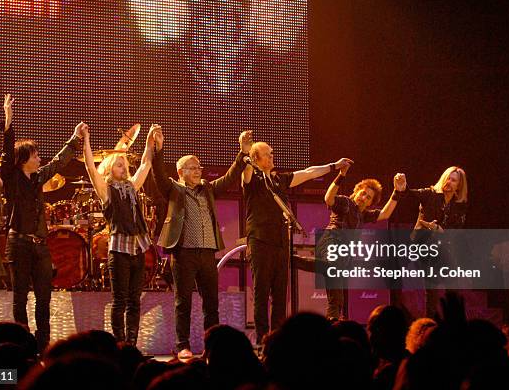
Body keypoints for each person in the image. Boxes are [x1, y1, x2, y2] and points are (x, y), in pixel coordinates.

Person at [151, 126, 252, 359]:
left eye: (199, 167)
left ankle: (213, 346)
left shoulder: (207, 188)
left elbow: (229, 178)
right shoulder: (173, 188)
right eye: (192, 168)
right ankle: (182, 345)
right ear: (180, 171)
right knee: (182, 302)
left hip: (207, 252)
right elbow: (157, 173)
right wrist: (158, 149)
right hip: (183, 252)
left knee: (211, 303)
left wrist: (242, 152)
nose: (198, 171)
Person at [242, 141, 352, 345]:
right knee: (261, 292)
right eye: (266, 154)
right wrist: (245, 152)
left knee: (280, 294)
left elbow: (308, 172)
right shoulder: (252, 179)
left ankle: (275, 339)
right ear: (256, 159)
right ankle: (261, 340)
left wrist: (334, 166)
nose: (271, 156)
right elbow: (246, 172)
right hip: (260, 242)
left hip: (281, 243)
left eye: (272, 153)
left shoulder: (279, 179)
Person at [0, 94, 82, 352]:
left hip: (40, 245)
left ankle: (43, 341)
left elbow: (58, 162)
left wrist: (75, 138)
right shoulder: (13, 179)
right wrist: (8, 122)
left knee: (44, 297)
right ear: (23, 159)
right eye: (35, 155)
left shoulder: (38, 179)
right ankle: (21, 344)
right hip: (19, 244)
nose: (39, 159)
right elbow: (6, 154)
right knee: (20, 295)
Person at [81, 122, 159, 345]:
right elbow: (89, 167)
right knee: (120, 301)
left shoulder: (132, 186)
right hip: (119, 250)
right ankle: (119, 343)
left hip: (138, 249)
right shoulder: (106, 190)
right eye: (118, 165)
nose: (124, 168)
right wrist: (86, 140)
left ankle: (131, 344)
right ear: (108, 170)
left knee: (135, 301)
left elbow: (145, 163)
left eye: (124, 164)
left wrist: (149, 142)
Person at [320, 163, 407, 320]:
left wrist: (397, 191)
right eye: (362, 193)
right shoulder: (345, 202)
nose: (364, 198)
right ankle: (333, 318)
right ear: (355, 192)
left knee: (337, 286)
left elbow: (385, 214)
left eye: (368, 197)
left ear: (370, 203)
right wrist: (341, 175)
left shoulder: (364, 215)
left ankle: (335, 317)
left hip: (345, 251)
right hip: (331, 243)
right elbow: (328, 198)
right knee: (335, 277)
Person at [408, 166, 468, 317]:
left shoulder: (459, 205)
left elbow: (457, 230)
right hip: (423, 243)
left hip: (442, 245)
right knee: (433, 288)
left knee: (452, 284)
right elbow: (410, 194)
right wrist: (401, 187)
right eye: (447, 177)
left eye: (453, 180)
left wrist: (440, 230)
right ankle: (431, 324)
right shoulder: (431, 194)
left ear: (458, 186)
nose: (449, 181)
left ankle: (452, 320)